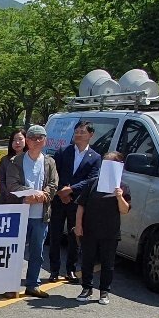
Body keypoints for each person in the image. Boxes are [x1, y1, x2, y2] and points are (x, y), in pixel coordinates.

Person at [0, 125, 58, 298]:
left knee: (37, 253)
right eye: (33, 137)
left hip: (40, 215)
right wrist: (29, 194)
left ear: (45, 140)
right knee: (15, 252)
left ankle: (33, 284)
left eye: (41, 138)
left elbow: (54, 185)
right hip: (20, 213)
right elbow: (12, 184)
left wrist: (42, 196)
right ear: (28, 141)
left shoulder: (49, 162)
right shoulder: (15, 161)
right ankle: (11, 285)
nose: (37, 141)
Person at [74, 151, 131, 304]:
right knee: (87, 260)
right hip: (90, 229)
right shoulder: (92, 183)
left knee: (107, 263)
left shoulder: (123, 187)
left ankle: (104, 291)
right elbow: (81, 206)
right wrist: (78, 225)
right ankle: (86, 288)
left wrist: (119, 196)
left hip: (110, 231)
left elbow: (124, 210)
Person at [49, 121, 101, 284]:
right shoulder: (63, 151)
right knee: (55, 236)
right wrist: (61, 192)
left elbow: (92, 179)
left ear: (90, 135)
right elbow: (53, 174)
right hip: (59, 199)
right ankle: (54, 270)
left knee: (74, 236)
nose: (78, 134)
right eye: (76, 131)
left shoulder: (95, 157)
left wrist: (70, 190)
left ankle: (70, 269)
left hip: (77, 201)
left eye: (82, 132)